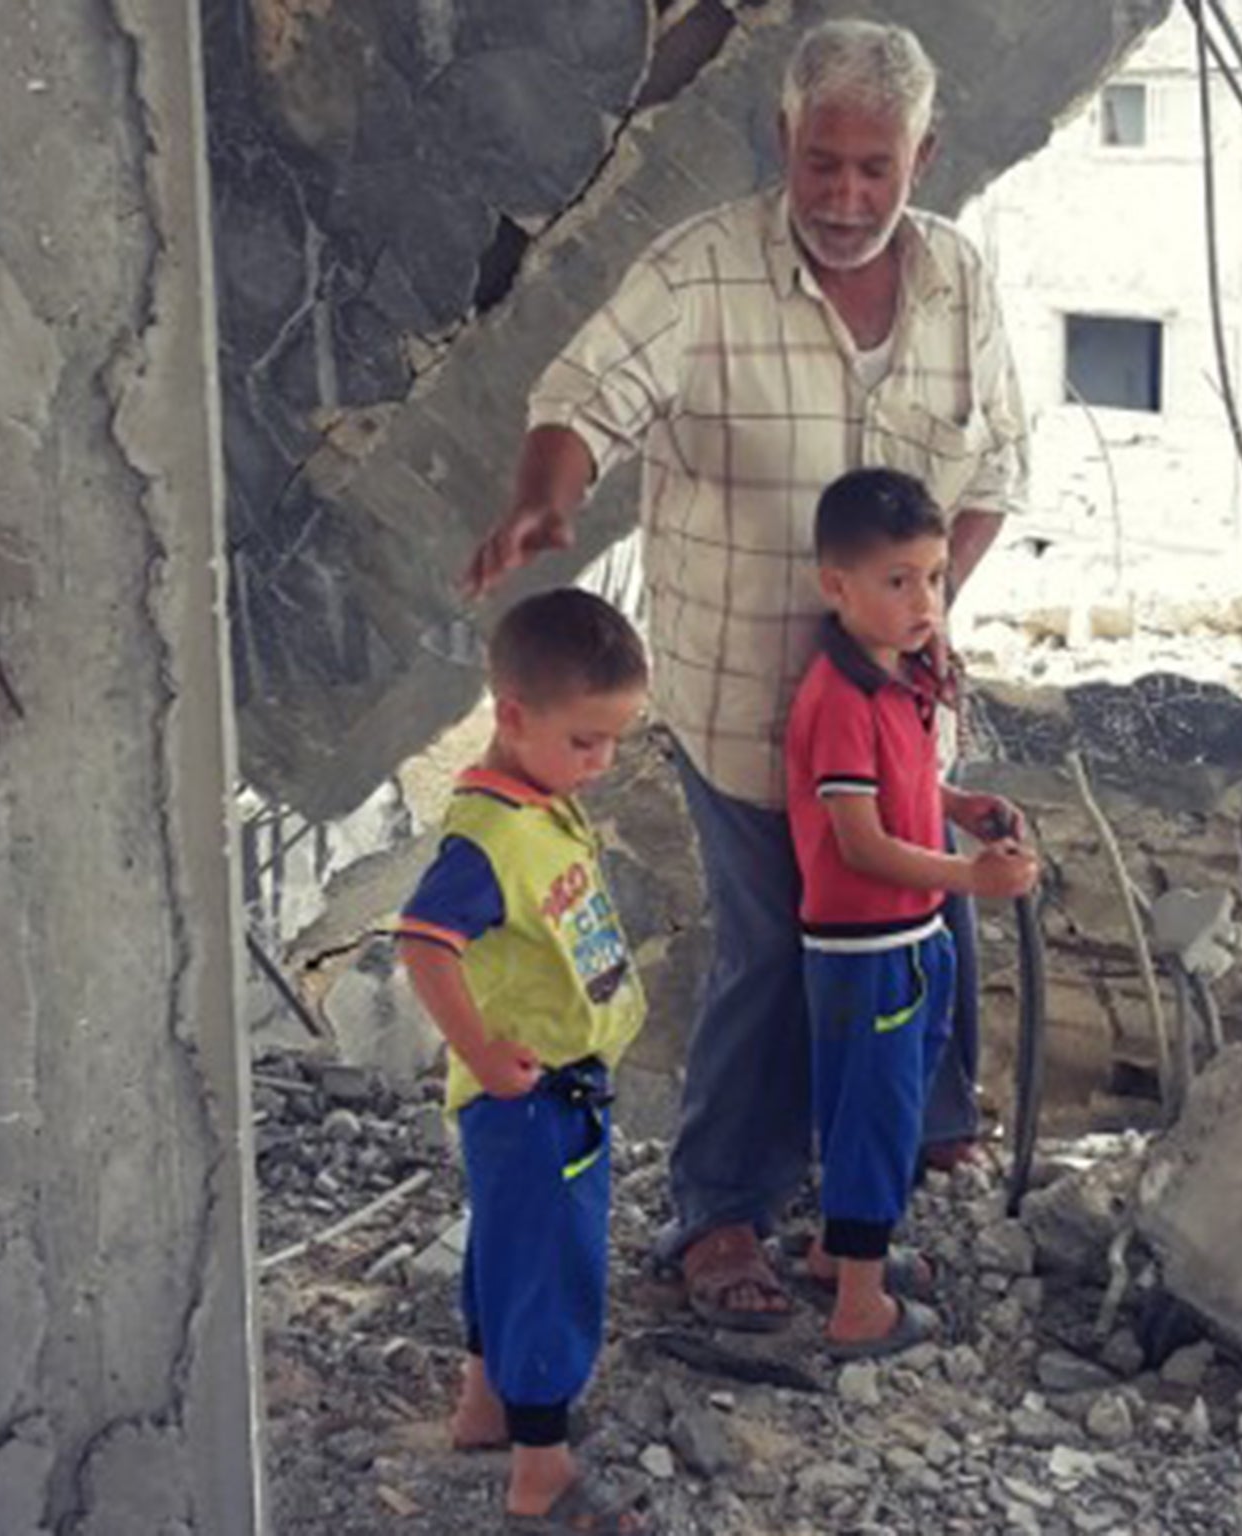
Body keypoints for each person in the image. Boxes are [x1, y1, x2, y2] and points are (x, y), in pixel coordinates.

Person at [464, 18, 1028, 1331]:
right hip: (745, 703)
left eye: (872, 171)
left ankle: (907, 1153)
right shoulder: (702, 273)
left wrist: (933, 617)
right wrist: (548, 501)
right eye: (820, 164)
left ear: (922, 157)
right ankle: (720, 1209)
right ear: (781, 141)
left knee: (922, 937)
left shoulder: (958, 283)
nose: (843, 197)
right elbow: (584, 394)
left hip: (893, 714)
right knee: (778, 952)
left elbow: (992, 478)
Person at [395, 588, 655, 1535]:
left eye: (614, 739)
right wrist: (477, 1047)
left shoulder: (533, 799)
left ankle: (484, 1406)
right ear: (513, 716)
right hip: (536, 1091)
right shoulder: (491, 836)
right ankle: (541, 1472)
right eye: (586, 741)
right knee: (554, 1263)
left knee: (504, 1246)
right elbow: (424, 942)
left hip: (543, 1085)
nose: (603, 762)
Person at [787, 468, 1038, 1356]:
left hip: (911, 937)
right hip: (866, 947)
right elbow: (857, 842)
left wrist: (957, 805)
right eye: (897, 581)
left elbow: (905, 792)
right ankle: (859, 1306)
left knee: (889, 1101)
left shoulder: (897, 679)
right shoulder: (840, 700)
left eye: (932, 576)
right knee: (873, 1114)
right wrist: (971, 879)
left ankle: (838, 1253)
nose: (922, 598)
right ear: (837, 586)